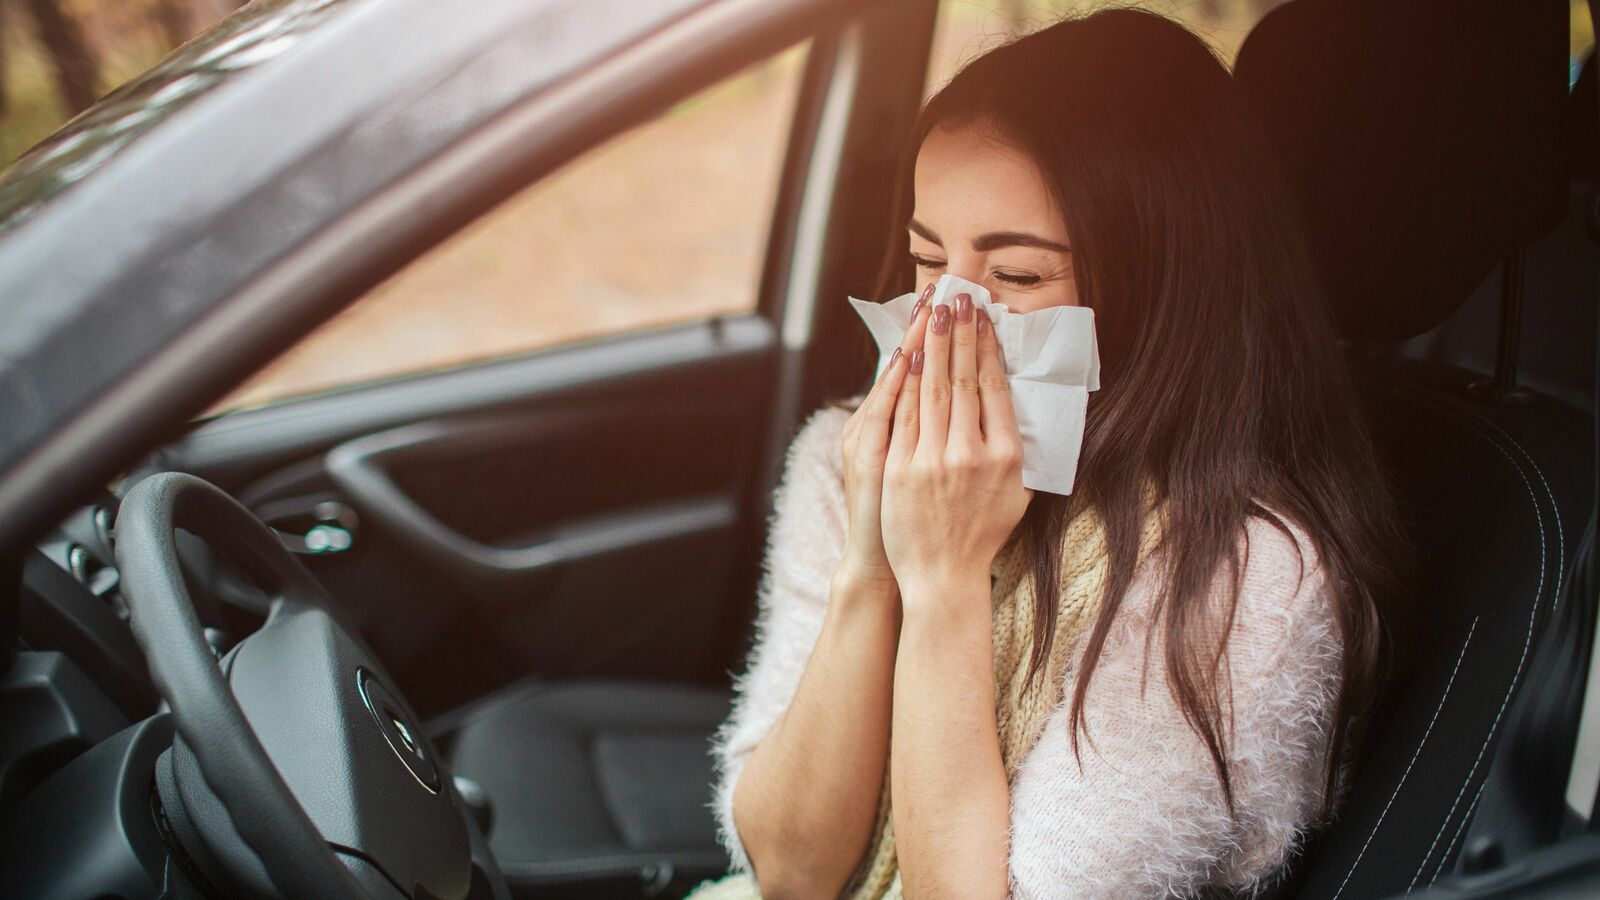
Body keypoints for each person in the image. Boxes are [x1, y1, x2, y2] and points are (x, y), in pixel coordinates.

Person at [688, 7, 1417, 898]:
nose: (948, 320)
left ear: (1161, 289)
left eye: (1020, 276)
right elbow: (790, 872)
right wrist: (875, 565)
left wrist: (946, 584)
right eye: (927, 262)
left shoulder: (1237, 577)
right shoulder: (853, 456)